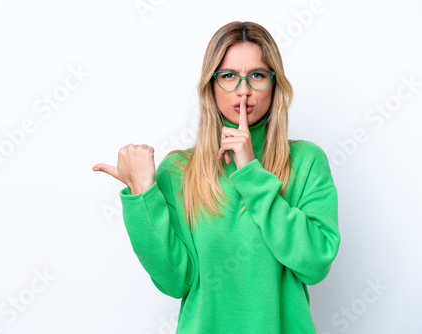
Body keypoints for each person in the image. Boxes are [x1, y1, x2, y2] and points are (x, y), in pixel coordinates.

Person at [93, 21, 340, 334]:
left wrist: (251, 172)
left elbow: (316, 263)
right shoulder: (179, 170)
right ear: (211, 85)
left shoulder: (306, 161)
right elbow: (175, 281)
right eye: (228, 76)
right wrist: (142, 194)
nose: (243, 90)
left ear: (274, 84)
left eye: (258, 75)